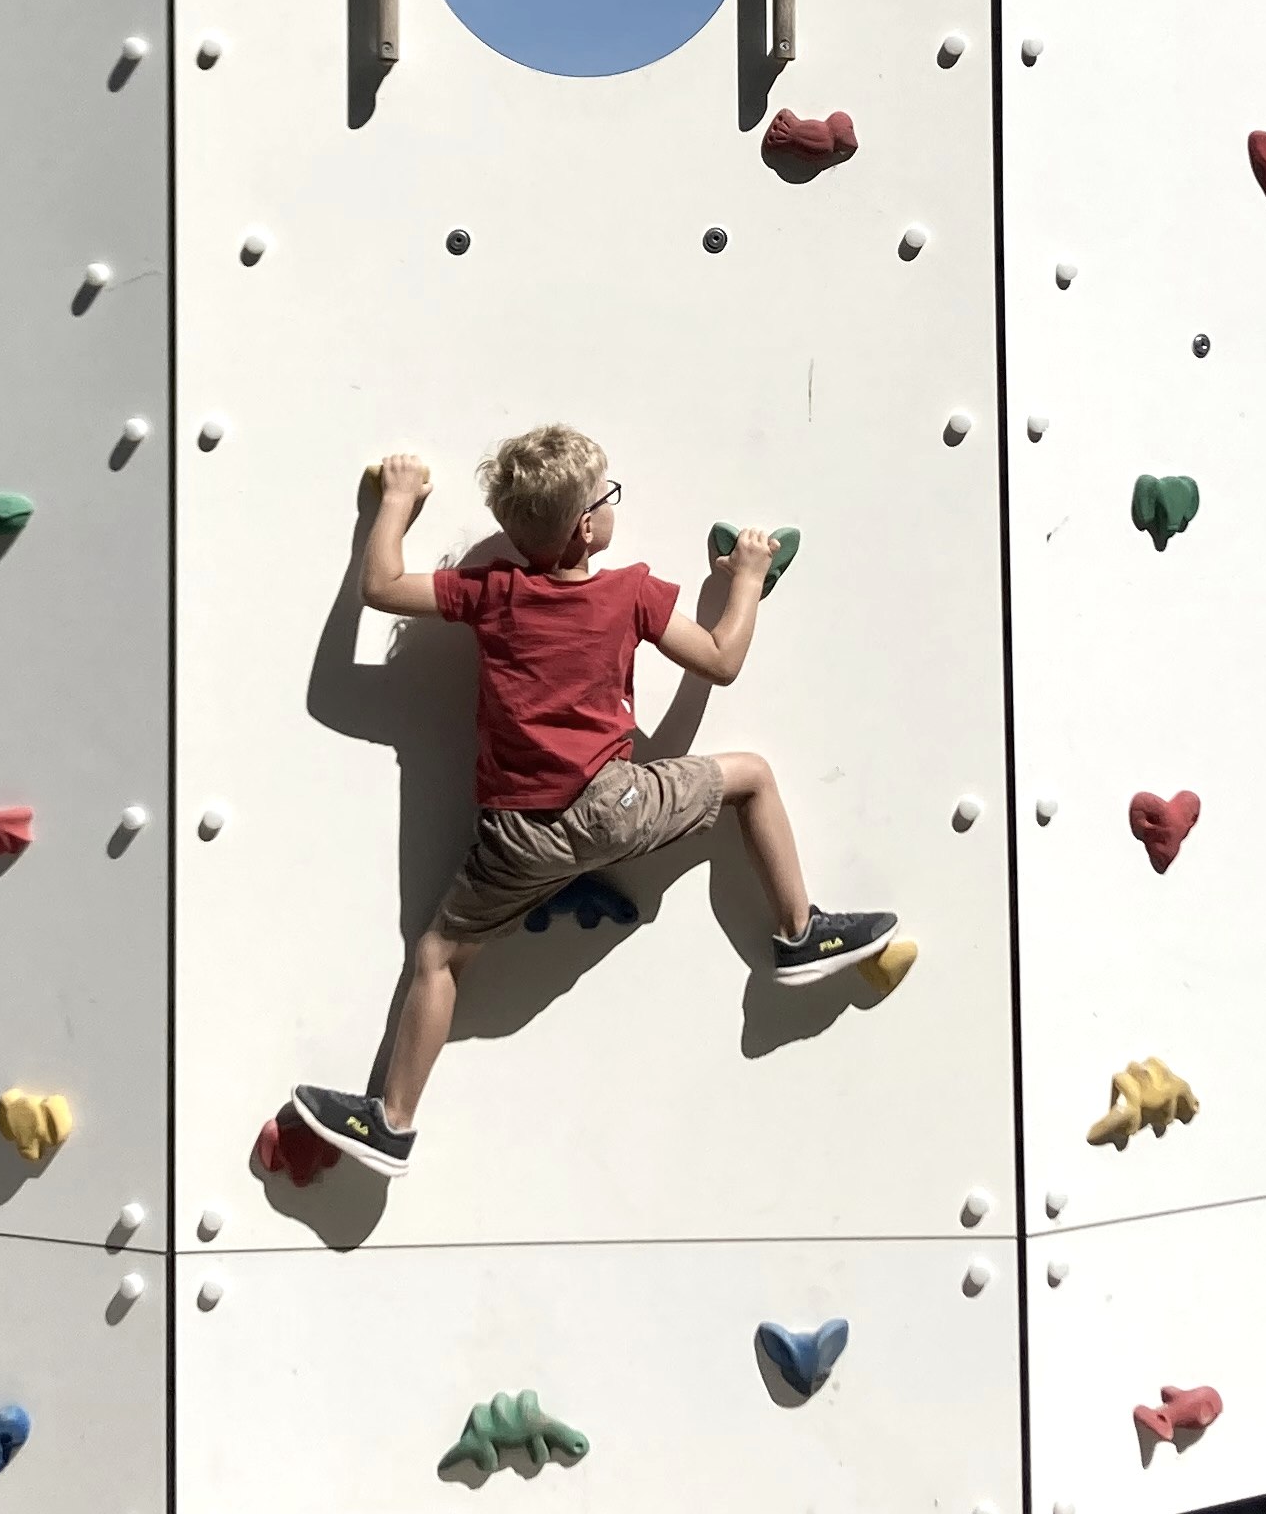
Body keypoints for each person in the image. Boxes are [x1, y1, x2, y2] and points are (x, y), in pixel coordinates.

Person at [286, 423, 897, 1179]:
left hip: (518, 837)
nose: (613, 504)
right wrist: (745, 577)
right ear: (585, 528)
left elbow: (380, 587)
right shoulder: (628, 591)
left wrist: (398, 499)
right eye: (606, 496)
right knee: (754, 776)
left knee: (438, 957)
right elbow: (721, 658)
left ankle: (394, 1122)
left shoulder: (491, 593)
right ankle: (800, 934)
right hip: (614, 808)